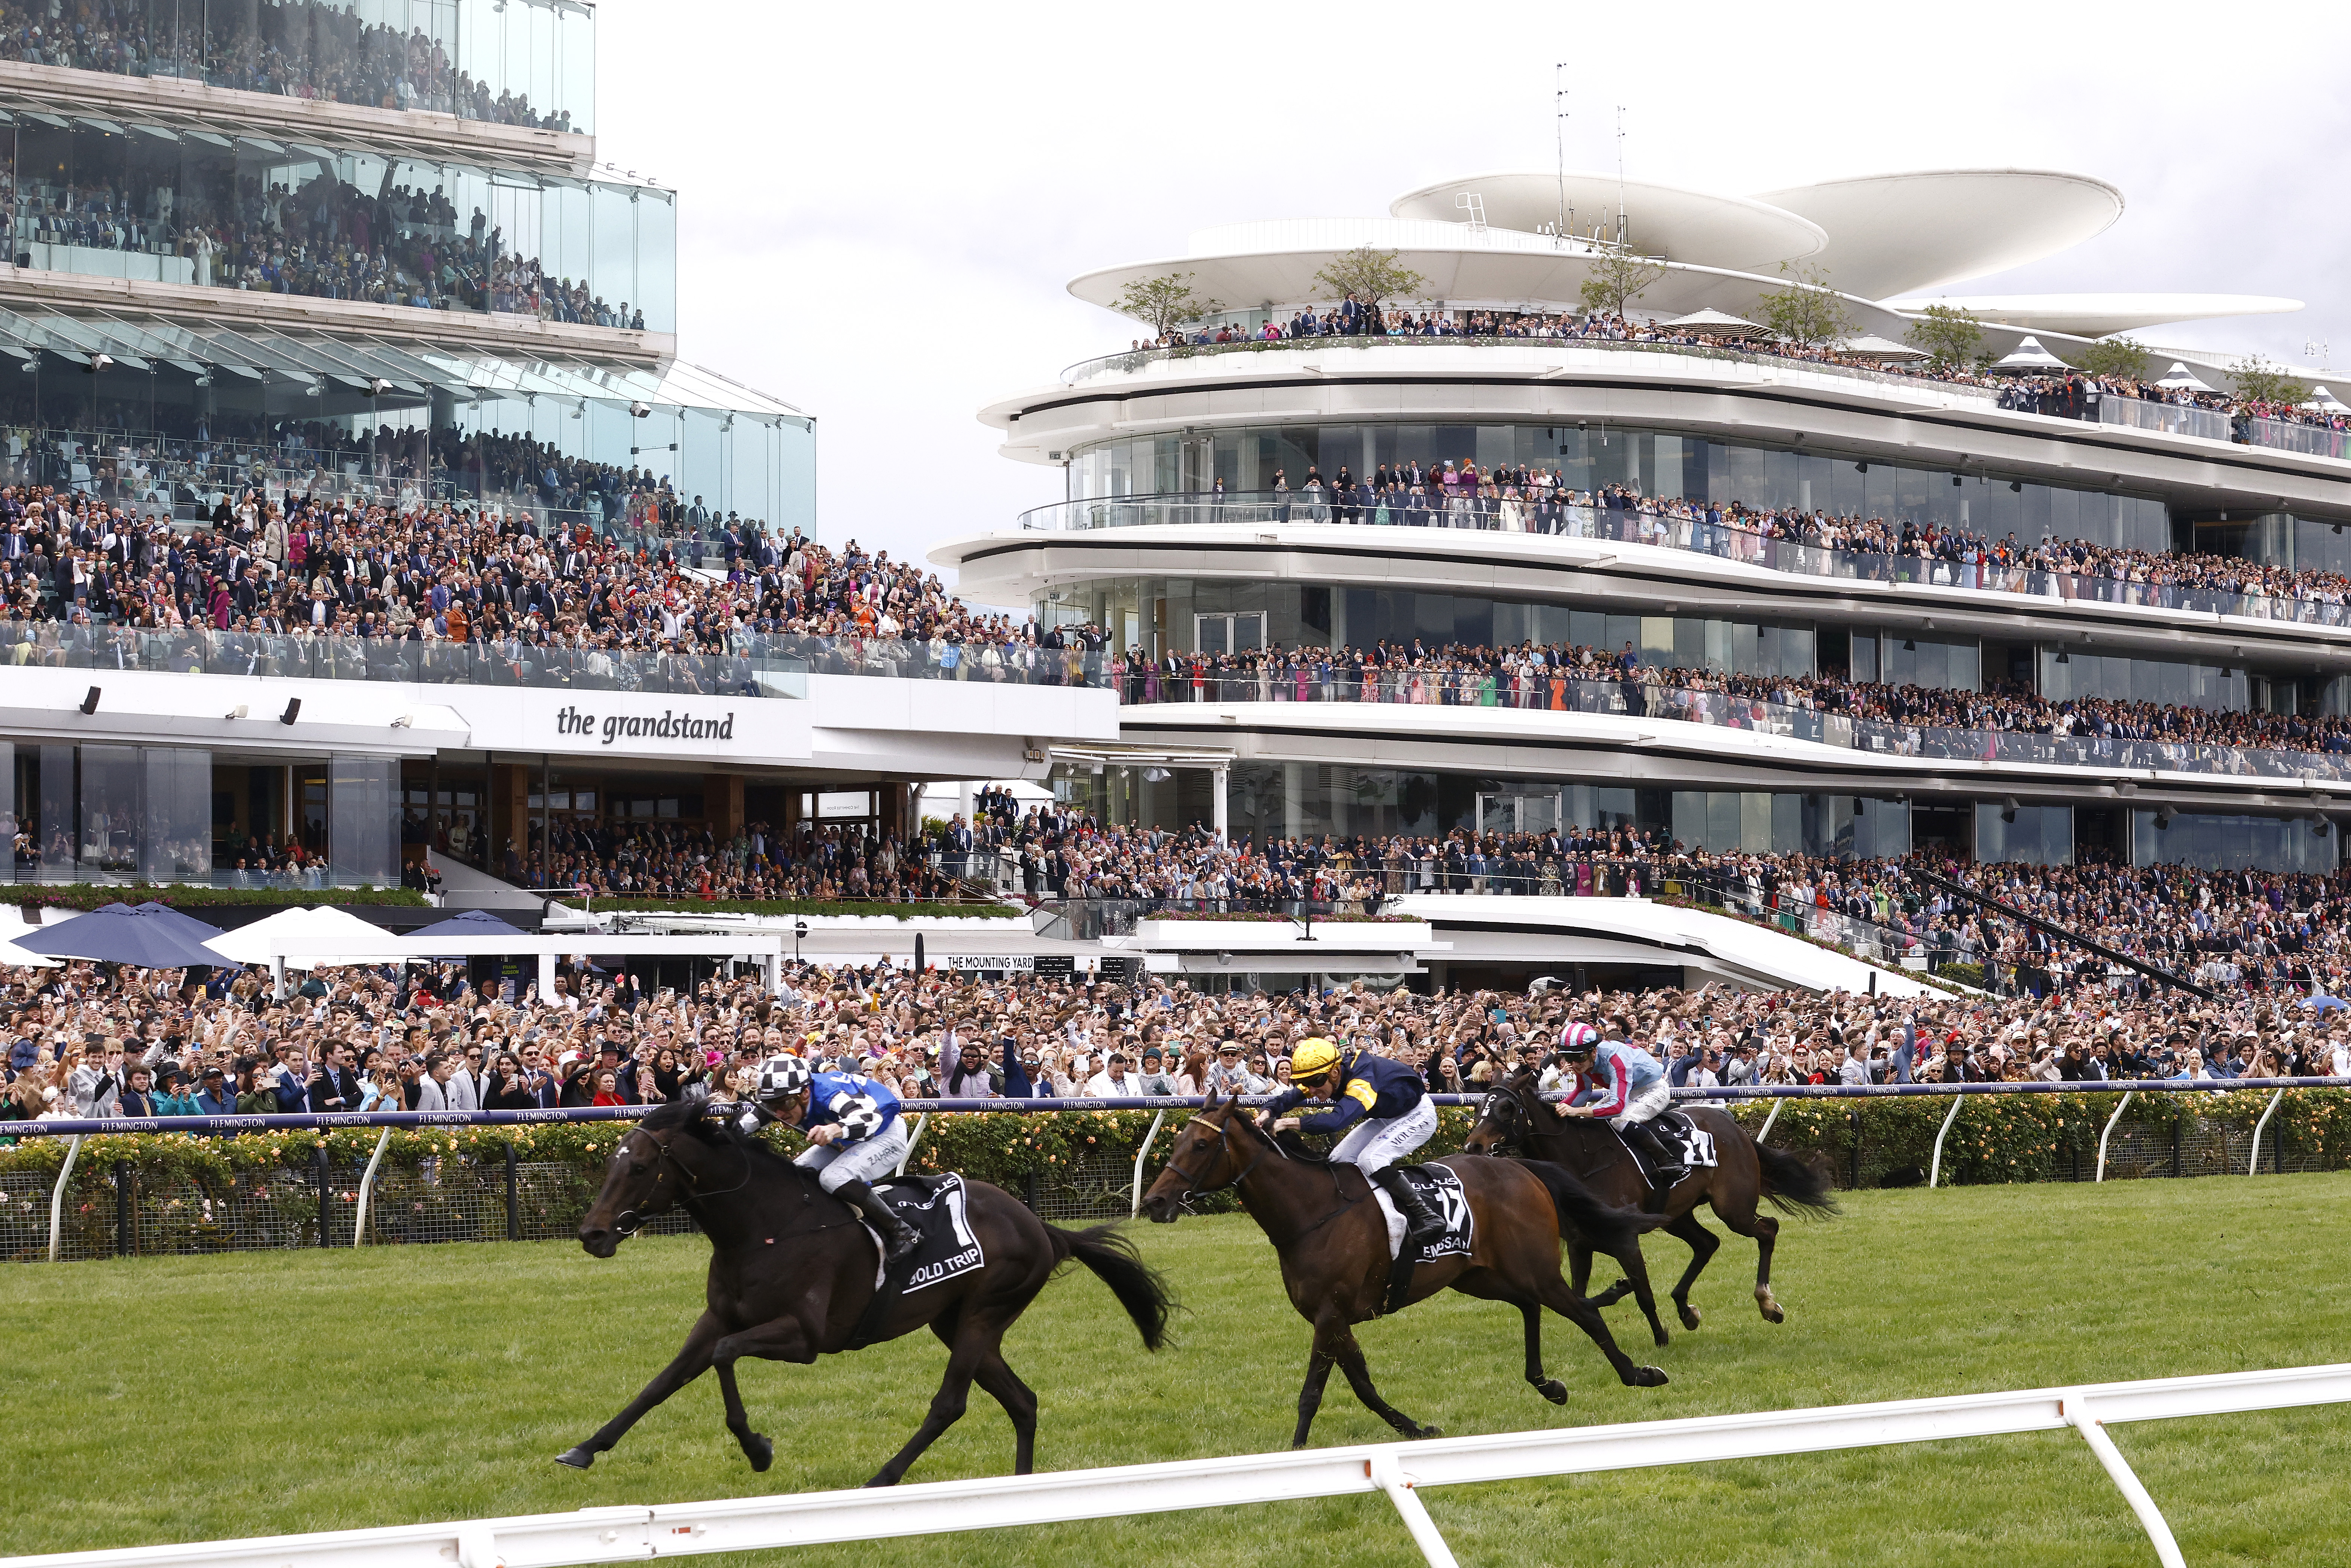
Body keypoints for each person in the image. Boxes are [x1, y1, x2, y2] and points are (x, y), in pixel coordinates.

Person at [1255, 1034, 1443, 1246]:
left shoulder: (1360, 1080)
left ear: (1335, 1073)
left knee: (1371, 1160)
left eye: (1315, 1084)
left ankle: (1426, 1215)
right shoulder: (1321, 1076)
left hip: (1417, 1113)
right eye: (1305, 1084)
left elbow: (1336, 1121)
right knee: (1338, 1162)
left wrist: (1286, 1123)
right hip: (1387, 1116)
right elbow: (1287, 1098)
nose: (1312, 1091)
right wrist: (1267, 1112)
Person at [740, 1055, 920, 1261]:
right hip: (851, 1137)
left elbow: (871, 1118)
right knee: (795, 1175)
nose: (778, 1113)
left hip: (885, 1132)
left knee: (833, 1177)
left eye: (785, 1104)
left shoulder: (831, 1094)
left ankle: (903, 1232)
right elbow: (747, 1123)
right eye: (771, 1106)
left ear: (805, 1093)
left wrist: (835, 1129)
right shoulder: (788, 1099)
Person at [1551, 1020, 1682, 1188]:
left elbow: (1617, 1106)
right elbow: (1583, 1091)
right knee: (1590, 1118)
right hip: (1631, 1089)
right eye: (1569, 1058)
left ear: (1593, 1052)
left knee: (1620, 1121)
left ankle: (1669, 1160)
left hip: (1654, 1088)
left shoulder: (1615, 1058)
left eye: (1579, 1057)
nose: (1575, 1064)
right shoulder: (1583, 1063)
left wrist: (1576, 1111)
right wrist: (1558, 1109)